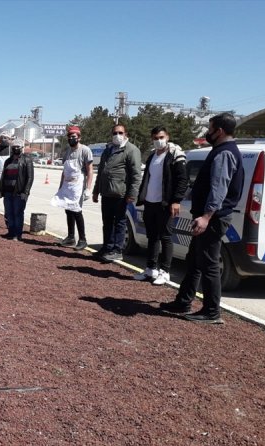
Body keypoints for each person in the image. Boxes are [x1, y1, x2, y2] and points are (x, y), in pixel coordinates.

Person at [160, 113, 244, 324]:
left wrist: (206, 216)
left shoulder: (224, 153)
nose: (208, 132)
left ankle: (212, 311)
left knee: (208, 263)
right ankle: (184, 301)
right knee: (195, 260)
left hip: (213, 218)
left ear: (220, 131)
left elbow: (219, 188)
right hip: (208, 216)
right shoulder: (221, 151)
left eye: (210, 128)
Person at [133, 126, 188, 285]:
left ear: (167, 137)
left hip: (165, 204)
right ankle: (151, 269)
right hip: (150, 202)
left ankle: (165, 271)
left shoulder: (175, 155)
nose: (159, 140)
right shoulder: (152, 156)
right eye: (155, 137)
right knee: (152, 237)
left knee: (165, 236)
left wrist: (176, 200)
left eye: (161, 137)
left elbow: (182, 180)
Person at [92, 124, 141, 261]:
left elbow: (136, 175)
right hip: (106, 192)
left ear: (126, 134)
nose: (117, 135)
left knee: (119, 222)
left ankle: (117, 249)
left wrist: (132, 194)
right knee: (106, 222)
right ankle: (107, 247)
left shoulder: (131, 150)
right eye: (114, 133)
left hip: (121, 194)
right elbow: (101, 172)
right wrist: (96, 191)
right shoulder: (108, 150)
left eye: (120, 133)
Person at [51, 126, 94, 250]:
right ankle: (70, 237)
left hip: (78, 185)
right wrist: (60, 188)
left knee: (76, 211)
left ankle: (82, 239)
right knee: (68, 210)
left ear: (79, 137)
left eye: (73, 137)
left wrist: (88, 188)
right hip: (67, 185)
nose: (71, 139)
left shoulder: (85, 150)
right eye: (69, 137)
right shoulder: (67, 152)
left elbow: (90, 170)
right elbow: (64, 172)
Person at [0, 140, 34, 240]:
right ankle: (11, 231)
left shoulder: (27, 160)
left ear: (22, 148)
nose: (16, 149)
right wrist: (0, 190)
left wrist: (25, 192)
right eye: (14, 147)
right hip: (7, 192)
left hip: (19, 192)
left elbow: (30, 178)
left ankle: (18, 234)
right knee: (9, 213)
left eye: (18, 147)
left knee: (18, 213)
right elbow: (3, 177)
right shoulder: (8, 161)